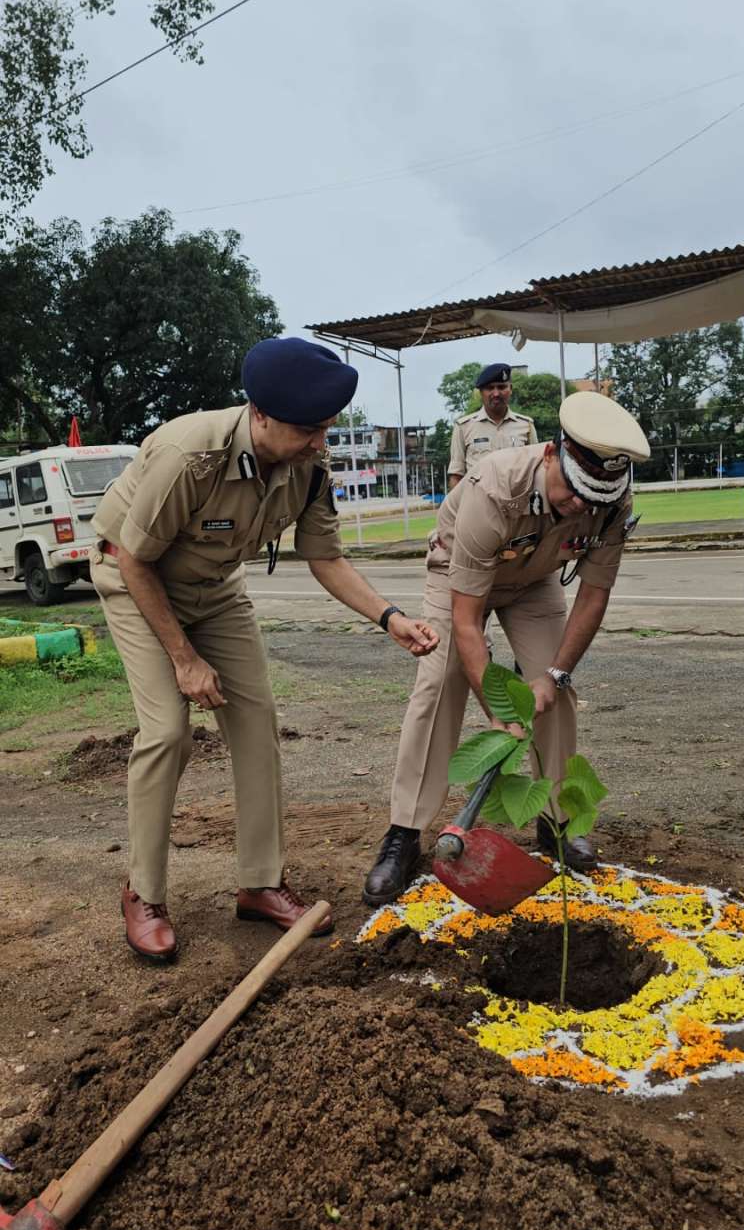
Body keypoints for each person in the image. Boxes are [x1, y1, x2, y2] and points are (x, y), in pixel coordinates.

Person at [90, 336, 438, 963]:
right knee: (167, 732)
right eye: (308, 430)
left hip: (217, 591)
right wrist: (185, 660)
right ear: (260, 415)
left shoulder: (309, 468)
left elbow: (325, 557)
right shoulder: (188, 456)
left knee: (256, 725)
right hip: (136, 581)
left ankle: (260, 883)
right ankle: (143, 894)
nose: (319, 443)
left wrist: (390, 618)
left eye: (326, 428)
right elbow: (133, 560)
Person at [362, 391, 650, 907]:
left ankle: (557, 821)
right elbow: (466, 620)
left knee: (555, 690)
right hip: (458, 579)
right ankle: (405, 832)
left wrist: (554, 675)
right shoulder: (494, 487)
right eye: (575, 492)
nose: (583, 507)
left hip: (534, 581)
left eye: (596, 499)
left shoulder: (611, 503)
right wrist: (499, 714)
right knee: (441, 681)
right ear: (551, 454)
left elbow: (593, 595)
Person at [447, 362, 537, 490]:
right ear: (481, 392)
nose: (496, 394)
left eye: (501, 387)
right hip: (478, 500)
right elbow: (456, 475)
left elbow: (536, 470)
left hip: (517, 500)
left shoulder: (526, 425)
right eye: (490, 388)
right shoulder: (463, 427)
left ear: (510, 389)